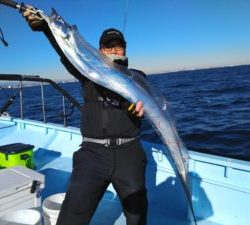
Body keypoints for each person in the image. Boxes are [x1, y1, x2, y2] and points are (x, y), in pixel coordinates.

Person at [23, 7, 148, 225]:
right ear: (100, 50)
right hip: (92, 154)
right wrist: (45, 28)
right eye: (109, 46)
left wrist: (139, 107)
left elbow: (145, 103)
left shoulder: (137, 77)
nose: (115, 50)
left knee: (137, 216)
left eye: (119, 46)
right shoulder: (88, 74)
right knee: (72, 217)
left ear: (125, 49)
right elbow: (66, 51)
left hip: (130, 152)